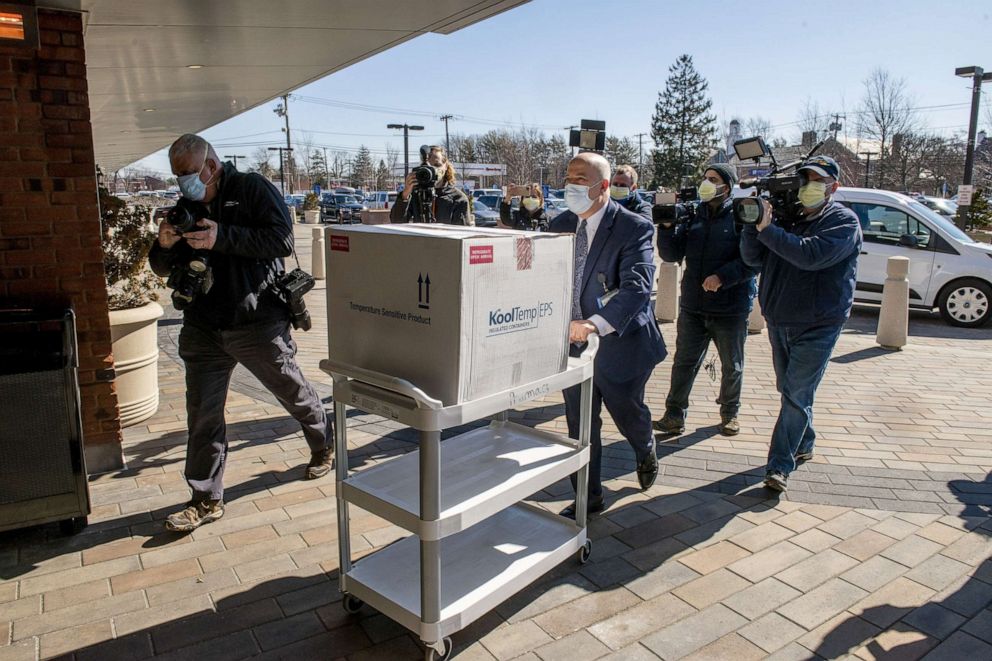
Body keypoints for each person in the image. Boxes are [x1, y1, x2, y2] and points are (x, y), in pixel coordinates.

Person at [149, 134, 333, 532]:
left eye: (188, 174)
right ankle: (205, 498)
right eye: (177, 176)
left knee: (291, 390)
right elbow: (163, 267)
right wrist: (163, 246)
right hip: (203, 325)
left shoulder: (252, 189)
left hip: (257, 320)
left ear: (210, 166)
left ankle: (323, 443)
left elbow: (281, 240)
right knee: (202, 415)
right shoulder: (186, 207)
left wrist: (222, 236)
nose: (184, 183)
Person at [551, 152, 667, 517]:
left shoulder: (633, 227)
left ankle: (644, 445)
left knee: (627, 412)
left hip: (620, 344)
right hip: (572, 348)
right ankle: (589, 497)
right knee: (580, 425)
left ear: (603, 187)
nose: (572, 184)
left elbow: (636, 288)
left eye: (581, 178)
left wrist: (594, 323)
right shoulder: (558, 226)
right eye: (569, 176)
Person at [739, 155, 862, 493]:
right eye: (803, 180)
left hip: (820, 322)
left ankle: (779, 466)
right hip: (780, 318)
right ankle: (804, 440)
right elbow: (752, 259)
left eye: (816, 181)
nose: (807, 187)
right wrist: (754, 225)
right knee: (790, 390)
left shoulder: (843, 221)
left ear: (833, 187)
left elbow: (810, 256)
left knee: (796, 393)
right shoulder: (785, 220)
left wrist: (769, 229)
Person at [654, 163, 756, 437]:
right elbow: (672, 255)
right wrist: (666, 227)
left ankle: (729, 413)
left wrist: (723, 277)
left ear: (727, 185)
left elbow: (753, 261)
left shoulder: (741, 215)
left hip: (730, 307)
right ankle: (674, 415)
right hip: (693, 305)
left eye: (713, 179)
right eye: (704, 178)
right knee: (684, 362)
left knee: (732, 365)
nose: (706, 183)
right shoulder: (693, 214)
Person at [390, 145, 471, 225]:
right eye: (427, 166)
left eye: (436, 165)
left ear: (445, 166)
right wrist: (405, 195)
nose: (432, 170)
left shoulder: (458, 199)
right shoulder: (415, 194)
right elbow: (396, 221)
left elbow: (462, 233)